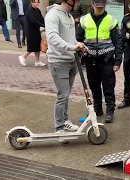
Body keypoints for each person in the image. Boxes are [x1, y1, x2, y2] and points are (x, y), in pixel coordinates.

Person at [45, 0, 87, 140]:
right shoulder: (52, 15)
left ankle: (65, 121)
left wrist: (78, 45)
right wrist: (72, 47)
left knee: (66, 93)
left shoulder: (69, 16)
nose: (78, 3)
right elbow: (52, 38)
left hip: (71, 60)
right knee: (62, 95)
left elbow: (70, 39)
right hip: (58, 61)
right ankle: (59, 128)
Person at [76, 0, 123, 123]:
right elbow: (78, 39)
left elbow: (118, 42)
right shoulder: (84, 20)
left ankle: (110, 111)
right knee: (94, 86)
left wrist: (118, 61)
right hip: (91, 59)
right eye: (98, 7)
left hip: (106, 59)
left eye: (102, 7)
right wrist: (80, 55)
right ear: (92, 5)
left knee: (108, 87)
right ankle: (97, 109)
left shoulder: (111, 20)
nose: (100, 9)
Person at [18, 0, 46, 67]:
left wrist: (45, 23)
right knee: (32, 46)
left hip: (36, 30)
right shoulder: (29, 10)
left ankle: (37, 61)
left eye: (37, 2)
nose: (36, 3)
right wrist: (43, 25)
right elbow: (33, 20)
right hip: (30, 30)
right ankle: (23, 57)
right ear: (32, 3)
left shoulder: (38, 10)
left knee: (37, 46)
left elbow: (41, 19)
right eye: (35, 2)